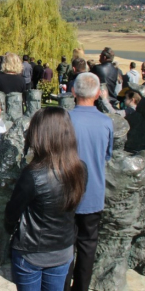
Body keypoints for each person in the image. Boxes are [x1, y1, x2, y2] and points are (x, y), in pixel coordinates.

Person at [5, 107, 87, 291]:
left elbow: (11, 213)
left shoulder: (33, 175)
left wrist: (12, 229)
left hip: (31, 253)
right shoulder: (80, 169)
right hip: (62, 249)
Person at [64, 73, 113, 291]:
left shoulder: (64, 120)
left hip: (66, 193)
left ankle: (62, 284)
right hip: (93, 192)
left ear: (73, 92)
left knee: (65, 244)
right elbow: (107, 155)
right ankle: (81, 286)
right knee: (88, 244)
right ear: (97, 94)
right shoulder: (106, 122)